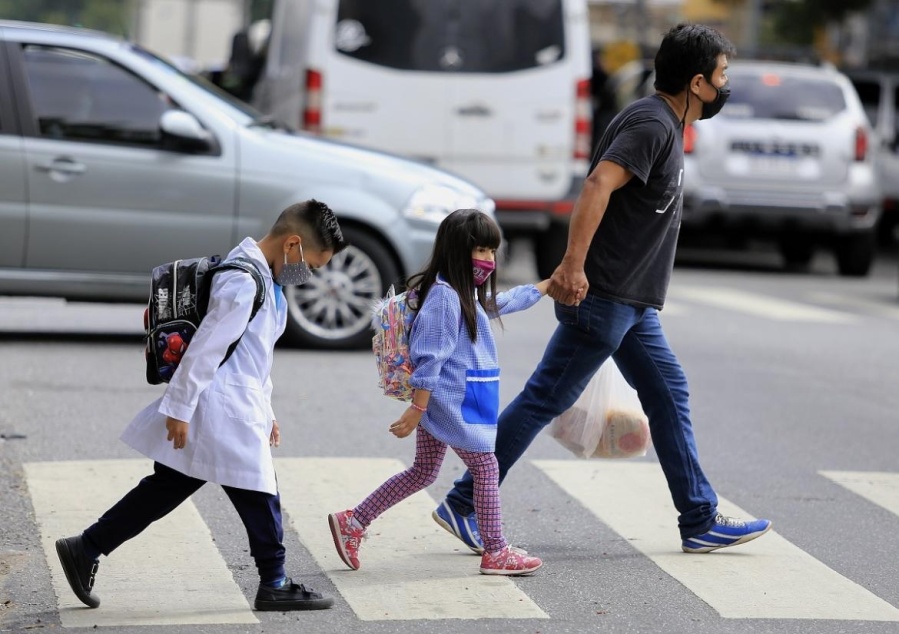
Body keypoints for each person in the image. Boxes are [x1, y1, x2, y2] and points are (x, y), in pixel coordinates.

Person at [434, 24, 774, 555]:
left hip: (633, 303)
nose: (726, 87)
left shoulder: (664, 122)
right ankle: (463, 503)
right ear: (698, 82)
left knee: (668, 393)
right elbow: (596, 185)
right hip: (605, 296)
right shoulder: (653, 125)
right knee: (543, 398)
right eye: (722, 76)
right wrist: (572, 265)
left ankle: (698, 518)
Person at [55, 199, 347, 611]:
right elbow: (206, 349)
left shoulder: (266, 280)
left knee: (167, 488)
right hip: (217, 404)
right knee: (260, 491)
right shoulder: (244, 281)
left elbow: (255, 357)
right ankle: (274, 581)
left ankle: (86, 548)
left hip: (233, 404)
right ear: (293, 244)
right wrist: (179, 408)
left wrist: (268, 413)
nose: (309, 274)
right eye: (312, 265)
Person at [328, 208, 549, 576]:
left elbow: (501, 303)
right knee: (486, 466)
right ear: (456, 251)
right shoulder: (445, 297)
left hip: (453, 399)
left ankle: (353, 521)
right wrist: (417, 409)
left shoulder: (463, 294)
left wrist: (543, 288)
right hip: (450, 401)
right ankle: (495, 550)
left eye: (492, 252)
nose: (488, 261)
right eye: (480, 251)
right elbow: (430, 358)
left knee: (423, 472)